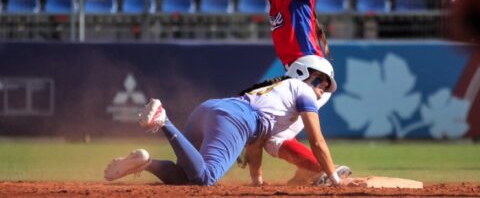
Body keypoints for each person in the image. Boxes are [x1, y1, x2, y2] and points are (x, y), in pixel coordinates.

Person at [104, 56, 352, 186]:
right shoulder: (303, 90)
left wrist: (257, 180)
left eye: (326, 86)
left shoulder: (276, 90)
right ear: (302, 73)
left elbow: (256, 144)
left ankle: (145, 163)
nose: (322, 90)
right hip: (237, 120)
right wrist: (335, 179)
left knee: (185, 177)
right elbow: (317, 141)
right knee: (206, 178)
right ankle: (164, 121)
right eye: (320, 81)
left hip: (211, 109)